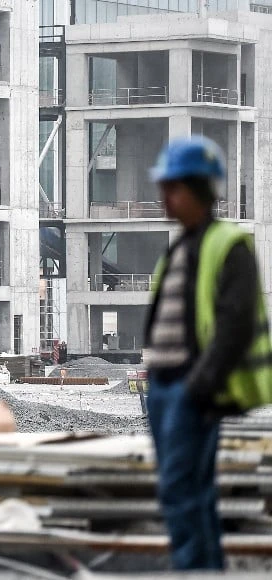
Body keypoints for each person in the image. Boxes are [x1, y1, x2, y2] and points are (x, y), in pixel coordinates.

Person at [144, 136, 272, 570]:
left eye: (173, 187)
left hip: (189, 387)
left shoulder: (228, 244)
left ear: (199, 190)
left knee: (180, 490)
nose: (164, 196)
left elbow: (234, 324)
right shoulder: (180, 247)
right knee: (191, 492)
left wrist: (200, 385)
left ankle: (193, 572)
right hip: (163, 388)